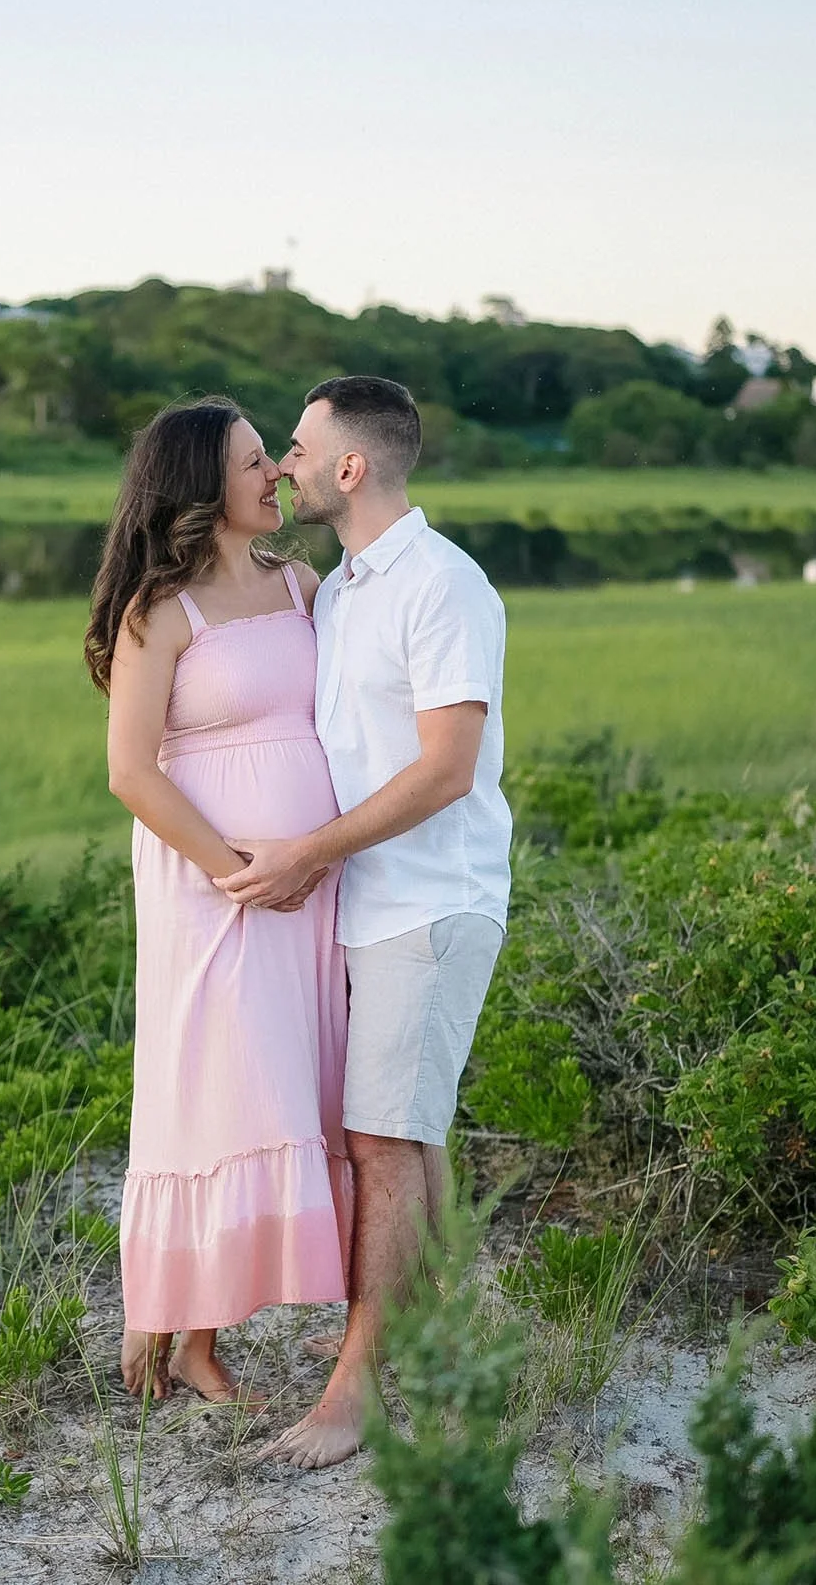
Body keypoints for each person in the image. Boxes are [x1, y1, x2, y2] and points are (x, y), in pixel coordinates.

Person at [226, 375, 512, 1470]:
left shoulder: (443, 585)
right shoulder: (341, 589)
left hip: (431, 901)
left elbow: (445, 769)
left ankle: (355, 1390)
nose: (283, 465)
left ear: (351, 465)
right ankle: (443, 1355)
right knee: (408, 1134)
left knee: (382, 1143)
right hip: (368, 903)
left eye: (296, 448)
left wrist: (307, 852)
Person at [86, 396, 354, 1404]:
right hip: (213, 885)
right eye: (253, 462)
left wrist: (310, 856)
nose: (275, 475)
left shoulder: (301, 584)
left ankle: (204, 1329)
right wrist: (235, 867)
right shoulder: (159, 608)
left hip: (306, 885)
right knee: (207, 1081)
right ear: (202, 485)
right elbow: (129, 771)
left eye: (271, 460)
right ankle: (172, 1320)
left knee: (278, 1083)